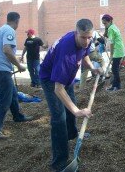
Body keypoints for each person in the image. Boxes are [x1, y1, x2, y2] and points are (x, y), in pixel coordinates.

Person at [39, 18, 102, 172]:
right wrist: (77, 110)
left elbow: (85, 54)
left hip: (67, 78)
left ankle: (73, 134)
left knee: (70, 106)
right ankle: (59, 162)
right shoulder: (66, 52)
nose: (87, 41)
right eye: (83, 37)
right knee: (59, 118)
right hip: (50, 80)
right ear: (76, 33)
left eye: (89, 37)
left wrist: (93, 68)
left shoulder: (85, 40)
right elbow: (58, 89)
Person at [0, 12, 33, 139]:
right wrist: (18, 65)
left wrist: (14, 61)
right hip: (0, 70)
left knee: (12, 93)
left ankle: (18, 116)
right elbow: (6, 50)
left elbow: (2, 50)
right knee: (5, 99)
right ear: (17, 21)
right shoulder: (9, 30)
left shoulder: (0, 30)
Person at [102, 14, 125, 91]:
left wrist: (111, 54)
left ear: (109, 21)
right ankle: (115, 85)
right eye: (103, 24)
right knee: (115, 68)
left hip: (117, 50)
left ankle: (117, 86)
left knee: (114, 69)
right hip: (120, 49)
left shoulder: (111, 29)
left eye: (105, 23)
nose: (104, 25)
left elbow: (111, 42)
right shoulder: (113, 26)